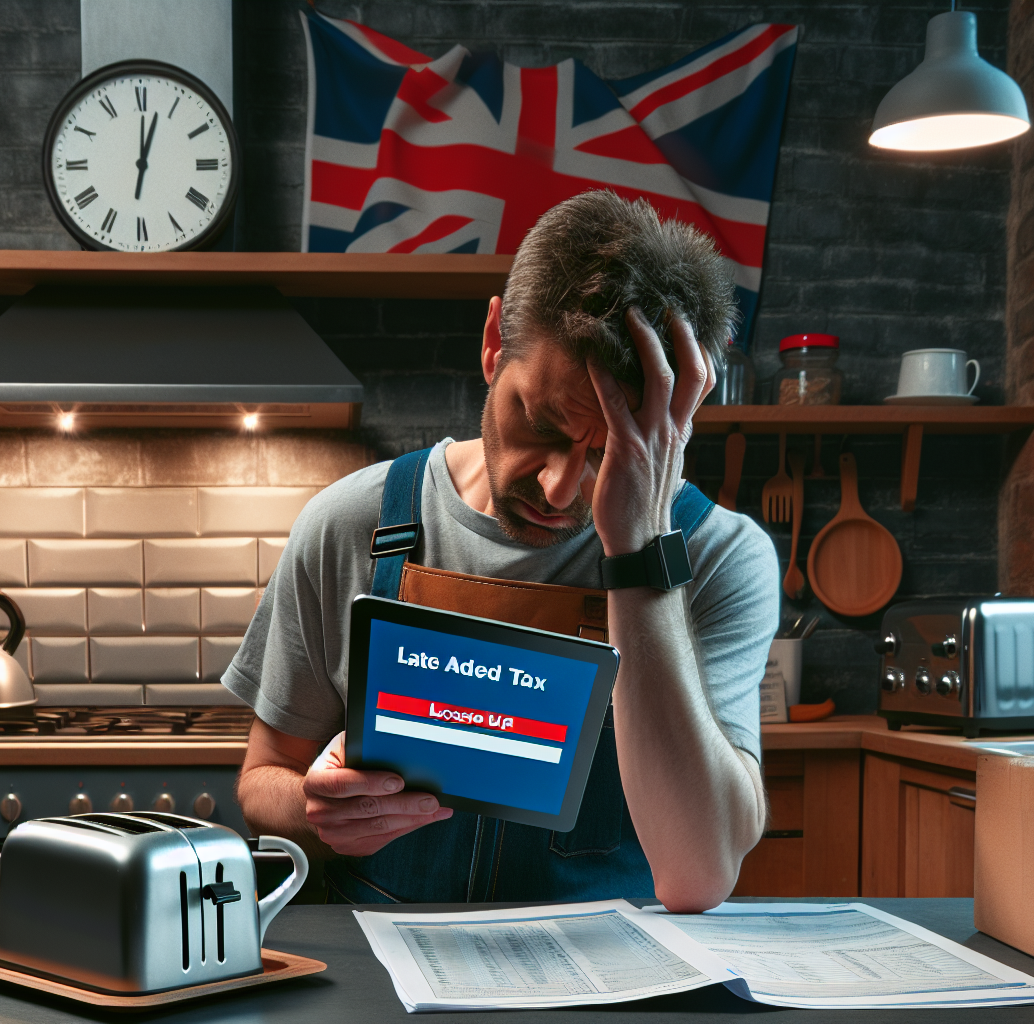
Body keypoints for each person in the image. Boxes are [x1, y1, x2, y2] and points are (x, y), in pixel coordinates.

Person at [225, 190, 777, 912]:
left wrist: (640, 552)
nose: (557, 487)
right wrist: (317, 808)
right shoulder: (348, 525)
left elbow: (698, 874)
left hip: (612, 979)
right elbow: (261, 782)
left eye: (609, 453)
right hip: (387, 971)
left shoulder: (719, 558)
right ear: (493, 344)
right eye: (540, 421)